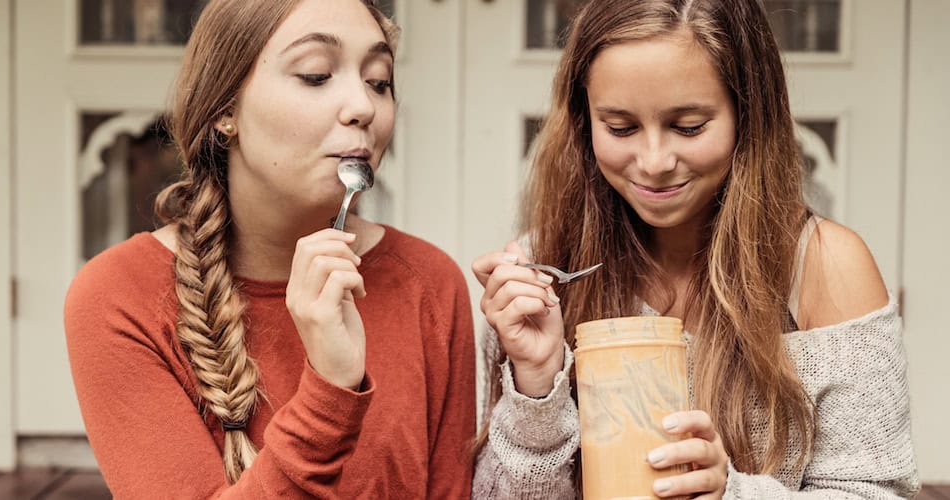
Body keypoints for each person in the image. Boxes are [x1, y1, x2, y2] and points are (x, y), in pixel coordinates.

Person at [470, 0, 918, 498]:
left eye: (688, 127)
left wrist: (732, 493)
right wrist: (536, 383)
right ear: (583, 121)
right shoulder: (544, 274)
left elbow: (877, 492)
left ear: (749, 114)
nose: (654, 161)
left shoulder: (824, 265)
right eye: (620, 128)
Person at [64, 0, 475, 497]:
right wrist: (330, 390)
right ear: (224, 111)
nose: (364, 106)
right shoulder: (118, 295)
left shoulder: (429, 281)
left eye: (379, 81)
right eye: (316, 75)